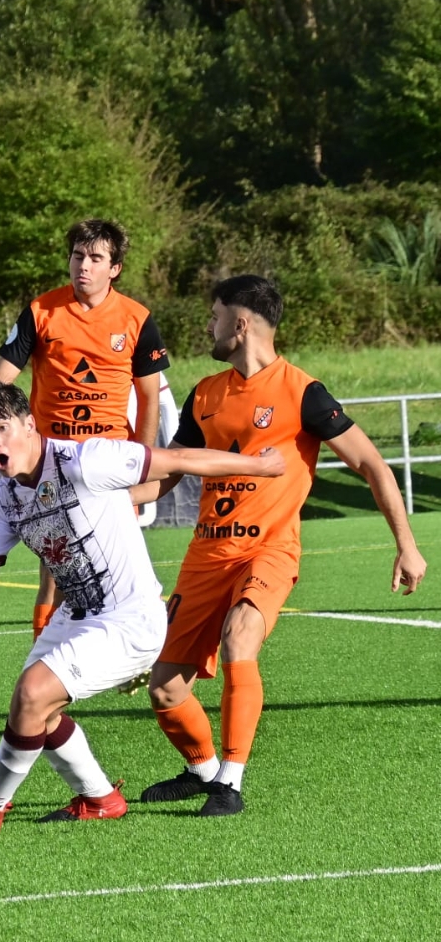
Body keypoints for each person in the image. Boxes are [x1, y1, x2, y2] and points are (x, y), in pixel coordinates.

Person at [0, 383, 284, 840]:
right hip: (77, 613)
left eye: (3, 427)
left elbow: (180, 460)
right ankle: (99, 799)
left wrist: (261, 465)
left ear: (29, 423)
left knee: (33, 693)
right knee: (38, 711)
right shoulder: (4, 499)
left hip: (130, 617)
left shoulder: (84, 461)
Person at [128, 275, 427, 817]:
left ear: (240, 325)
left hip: (269, 551)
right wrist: (119, 497)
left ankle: (231, 784)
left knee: (242, 635)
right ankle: (203, 772)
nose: (209, 326)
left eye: (215, 316)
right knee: (165, 689)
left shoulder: (302, 391)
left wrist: (407, 545)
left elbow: (371, 464)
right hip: (205, 557)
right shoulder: (206, 393)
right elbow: (169, 473)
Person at [0, 219, 170, 640]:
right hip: (51, 460)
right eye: (77, 256)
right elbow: (3, 373)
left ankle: (153, 648)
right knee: (54, 565)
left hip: (106, 460)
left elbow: (149, 398)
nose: (83, 266)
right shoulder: (42, 311)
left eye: (95, 258)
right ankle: (48, 667)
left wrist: (141, 459)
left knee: (121, 564)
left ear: (115, 268)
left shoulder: (136, 320)